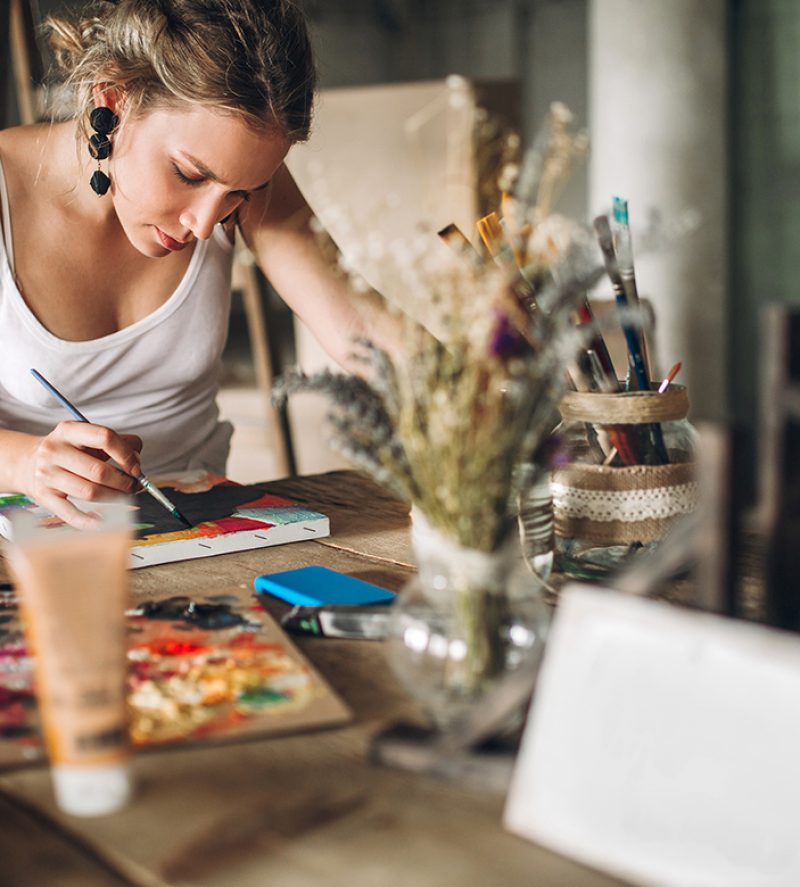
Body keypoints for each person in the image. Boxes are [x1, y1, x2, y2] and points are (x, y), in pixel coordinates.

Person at [0, 0, 395, 528]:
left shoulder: (236, 189)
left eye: (243, 193)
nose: (207, 225)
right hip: (29, 543)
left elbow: (360, 330)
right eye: (188, 174)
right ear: (112, 99)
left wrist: (497, 390)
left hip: (205, 531)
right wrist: (25, 464)